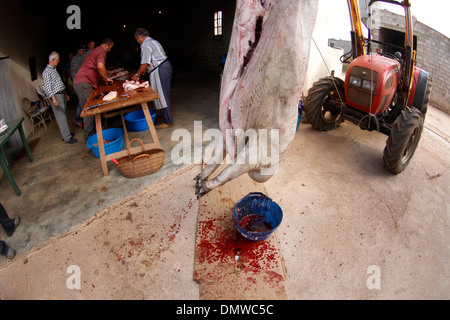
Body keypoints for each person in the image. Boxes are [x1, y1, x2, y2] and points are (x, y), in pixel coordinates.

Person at [73, 38, 114, 142]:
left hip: (82, 82)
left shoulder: (95, 51)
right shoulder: (101, 51)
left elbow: (97, 68)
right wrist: (106, 78)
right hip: (83, 83)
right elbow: (100, 67)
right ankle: (90, 138)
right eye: (110, 48)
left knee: (89, 109)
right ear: (106, 45)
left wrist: (110, 73)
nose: (109, 51)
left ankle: (95, 133)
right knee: (88, 110)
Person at [133, 28, 173, 129]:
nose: (137, 42)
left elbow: (145, 63)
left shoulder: (145, 45)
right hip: (163, 67)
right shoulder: (153, 41)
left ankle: (168, 120)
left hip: (160, 69)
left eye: (137, 40)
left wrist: (137, 75)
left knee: (162, 95)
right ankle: (163, 116)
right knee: (160, 94)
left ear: (139, 37)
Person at [42, 52, 78, 144]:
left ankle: (66, 134)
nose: (59, 61)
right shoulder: (46, 72)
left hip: (61, 94)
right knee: (60, 117)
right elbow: (47, 87)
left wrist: (65, 94)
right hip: (56, 96)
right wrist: (53, 99)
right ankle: (67, 138)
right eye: (57, 60)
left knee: (63, 115)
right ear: (53, 60)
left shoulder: (53, 70)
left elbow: (58, 84)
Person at [71, 45, 88, 127]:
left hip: (80, 81)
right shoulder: (76, 60)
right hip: (78, 83)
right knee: (81, 102)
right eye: (83, 51)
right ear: (78, 50)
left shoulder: (81, 58)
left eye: (85, 51)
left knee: (82, 101)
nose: (84, 52)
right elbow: (74, 74)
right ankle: (78, 119)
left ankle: (79, 119)